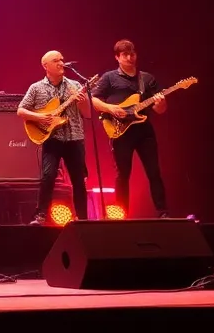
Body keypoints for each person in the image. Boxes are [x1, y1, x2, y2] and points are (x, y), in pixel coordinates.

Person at [91, 39, 169, 218]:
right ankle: (122, 214)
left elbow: (160, 110)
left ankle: (163, 211)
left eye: (132, 54)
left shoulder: (147, 79)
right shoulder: (109, 77)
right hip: (120, 131)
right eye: (125, 54)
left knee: (154, 171)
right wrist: (111, 108)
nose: (129, 57)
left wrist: (161, 102)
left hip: (144, 131)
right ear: (117, 57)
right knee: (123, 174)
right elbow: (94, 100)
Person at [17, 50, 91, 225]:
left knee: (78, 180)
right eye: (56, 60)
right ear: (45, 66)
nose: (61, 63)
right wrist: (40, 117)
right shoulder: (36, 88)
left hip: (75, 138)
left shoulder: (75, 85)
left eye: (62, 60)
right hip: (52, 139)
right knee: (48, 176)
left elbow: (87, 114)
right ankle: (40, 215)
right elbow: (21, 110)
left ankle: (83, 218)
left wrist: (82, 102)